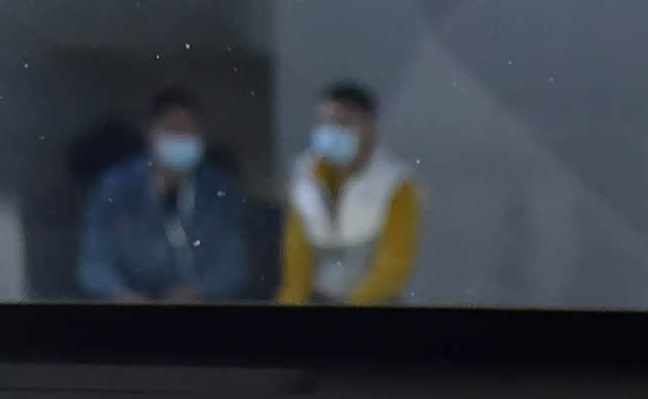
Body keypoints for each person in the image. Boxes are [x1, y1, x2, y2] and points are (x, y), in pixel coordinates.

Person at [77, 86, 252, 301]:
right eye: (172, 129)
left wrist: (195, 292)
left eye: (189, 129)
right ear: (150, 134)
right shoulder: (115, 187)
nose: (181, 137)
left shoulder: (219, 190)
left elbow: (233, 266)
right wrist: (123, 296)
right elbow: (93, 263)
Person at [276, 81, 419, 306]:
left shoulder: (396, 184)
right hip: (319, 299)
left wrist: (353, 303)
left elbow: (393, 266)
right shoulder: (304, 177)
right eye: (325, 123)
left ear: (371, 127)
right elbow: (296, 260)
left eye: (344, 123)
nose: (332, 132)